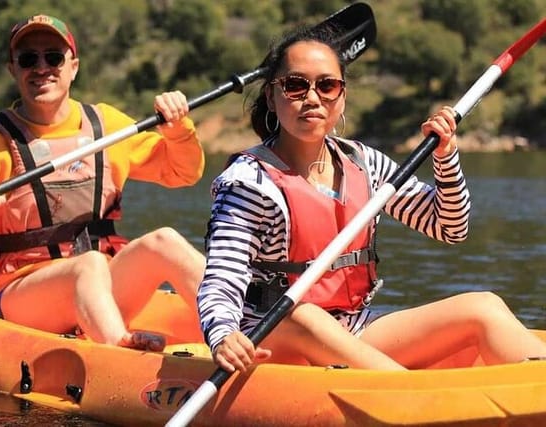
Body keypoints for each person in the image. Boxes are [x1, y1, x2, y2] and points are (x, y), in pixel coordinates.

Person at [196, 24, 546, 371]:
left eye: (327, 85)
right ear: (272, 96)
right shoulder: (249, 181)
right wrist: (223, 334)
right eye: (295, 85)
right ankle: (409, 396)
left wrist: (445, 158)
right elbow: (222, 276)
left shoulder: (364, 163)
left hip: (353, 327)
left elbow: (449, 227)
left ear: (342, 96)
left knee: (483, 306)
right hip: (272, 333)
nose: (313, 98)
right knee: (306, 318)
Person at [0, 14, 206, 352]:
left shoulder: (109, 126)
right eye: (28, 59)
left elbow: (183, 172)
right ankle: (119, 353)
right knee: (86, 265)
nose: (41, 67)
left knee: (165, 241)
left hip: (103, 281)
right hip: (25, 292)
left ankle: (242, 327)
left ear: (74, 66)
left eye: (54, 57)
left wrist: (177, 129)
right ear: (13, 69)